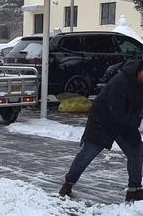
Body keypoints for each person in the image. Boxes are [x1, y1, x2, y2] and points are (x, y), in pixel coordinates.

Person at [59, 59, 143, 202]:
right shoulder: (121, 80)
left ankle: (134, 190)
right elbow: (116, 110)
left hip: (126, 122)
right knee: (88, 154)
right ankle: (68, 183)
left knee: (136, 152)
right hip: (102, 121)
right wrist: (135, 120)